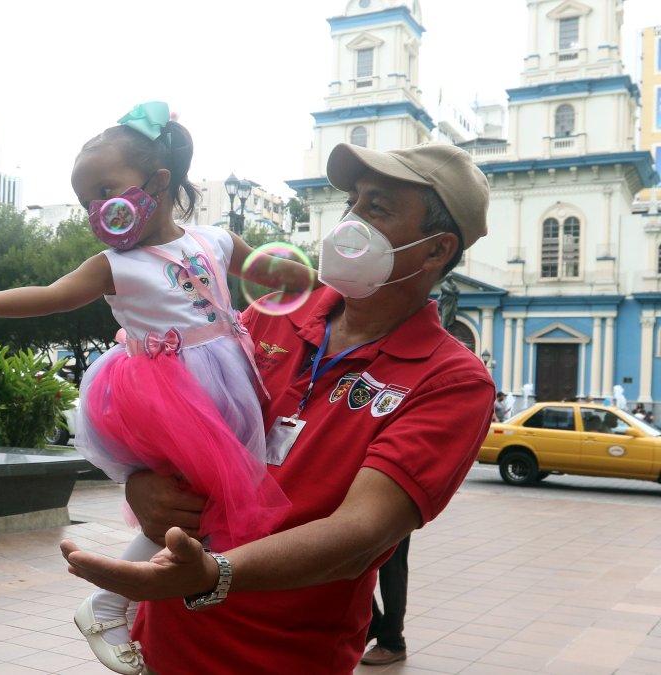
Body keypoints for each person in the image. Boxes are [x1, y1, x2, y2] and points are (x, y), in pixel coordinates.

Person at [60, 141, 496, 673]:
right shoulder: (272, 314)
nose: (352, 219)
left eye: (378, 208)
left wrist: (213, 574)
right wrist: (140, 481)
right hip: (162, 640)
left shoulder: (451, 381)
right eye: (353, 202)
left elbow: (360, 535)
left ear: (435, 250)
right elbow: (172, 411)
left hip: (280, 656)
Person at [0, 101, 305, 674]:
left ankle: (157, 602)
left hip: (227, 384)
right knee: (194, 499)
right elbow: (50, 294)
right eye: (86, 202)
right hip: (172, 395)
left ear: (160, 181)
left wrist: (313, 278)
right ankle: (107, 603)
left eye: (106, 189)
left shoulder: (216, 241)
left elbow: (274, 274)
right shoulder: (114, 265)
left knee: (210, 502)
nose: (98, 210)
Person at [362, 535, 410, 665]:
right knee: (354, 559)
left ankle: (393, 641)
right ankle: (373, 623)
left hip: (398, 515)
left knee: (392, 565)